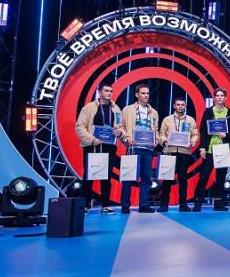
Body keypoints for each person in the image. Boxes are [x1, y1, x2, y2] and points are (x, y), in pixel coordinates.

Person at [74, 82, 122, 213]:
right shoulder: (89, 108)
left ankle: (105, 205)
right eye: (106, 91)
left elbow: (120, 127)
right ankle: (85, 205)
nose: (109, 93)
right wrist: (91, 140)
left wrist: (120, 133)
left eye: (111, 91)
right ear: (99, 93)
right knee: (89, 176)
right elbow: (79, 127)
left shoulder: (116, 109)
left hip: (109, 146)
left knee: (107, 177)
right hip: (93, 146)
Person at [193, 88, 230, 212]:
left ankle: (218, 204)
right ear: (214, 97)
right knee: (203, 176)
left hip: (223, 149)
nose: (219, 98)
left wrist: (226, 135)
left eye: (221, 95)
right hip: (209, 149)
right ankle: (197, 203)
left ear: (225, 98)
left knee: (221, 178)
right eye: (217, 95)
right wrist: (202, 147)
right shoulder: (208, 112)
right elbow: (203, 130)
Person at [118, 83, 160, 214]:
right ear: (137, 95)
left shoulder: (154, 112)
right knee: (128, 177)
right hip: (133, 148)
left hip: (148, 149)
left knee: (146, 179)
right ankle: (125, 206)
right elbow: (120, 127)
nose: (146, 95)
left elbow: (156, 130)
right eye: (143, 93)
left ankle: (144, 205)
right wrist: (126, 138)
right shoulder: (127, 110)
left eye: (147, 93)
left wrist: (156, 140)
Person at [158, 97, 199, 212]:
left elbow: (195, 134)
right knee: (167, 179)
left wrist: (192, 141)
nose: (180, 106)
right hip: (169, 151)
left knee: (183, 179)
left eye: (182, 105)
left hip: (184, 152)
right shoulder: (167, 119)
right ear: (174, 106)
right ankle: (164, 205)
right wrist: (164, 141)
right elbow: (161, 134)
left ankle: (183, 204)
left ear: (185, 106)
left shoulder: (190, 120)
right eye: (178, 104)